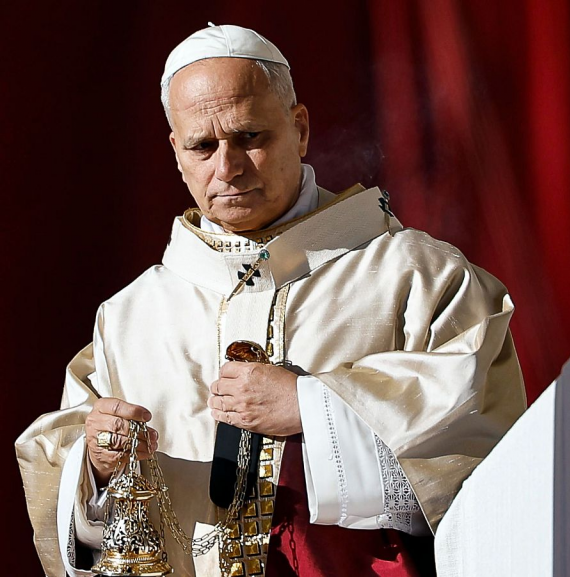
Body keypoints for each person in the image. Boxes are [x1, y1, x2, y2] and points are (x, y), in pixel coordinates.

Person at [16, 24, 526, 577]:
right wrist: (96, 468)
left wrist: (314, 408)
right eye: (203, 146)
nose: (227, 167)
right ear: (176, 152)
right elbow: (72, 513)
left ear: (299, 129)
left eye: (249, 136)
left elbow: (488, 455)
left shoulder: (416, 275)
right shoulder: (129, 318)